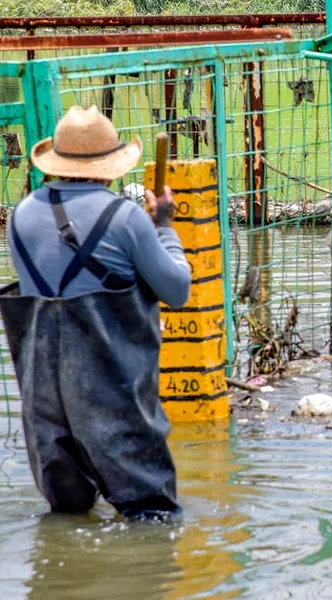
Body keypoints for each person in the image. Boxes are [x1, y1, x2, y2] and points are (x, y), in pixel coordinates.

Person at [0, 105, 191, 521]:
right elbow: (177, 290)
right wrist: (164, 227)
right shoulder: (124, 218)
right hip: (112, 391)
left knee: (67, 515)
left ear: (56, 163)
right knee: (151, 515)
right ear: (112, 165)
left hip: (43, 398)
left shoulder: (20, 216)